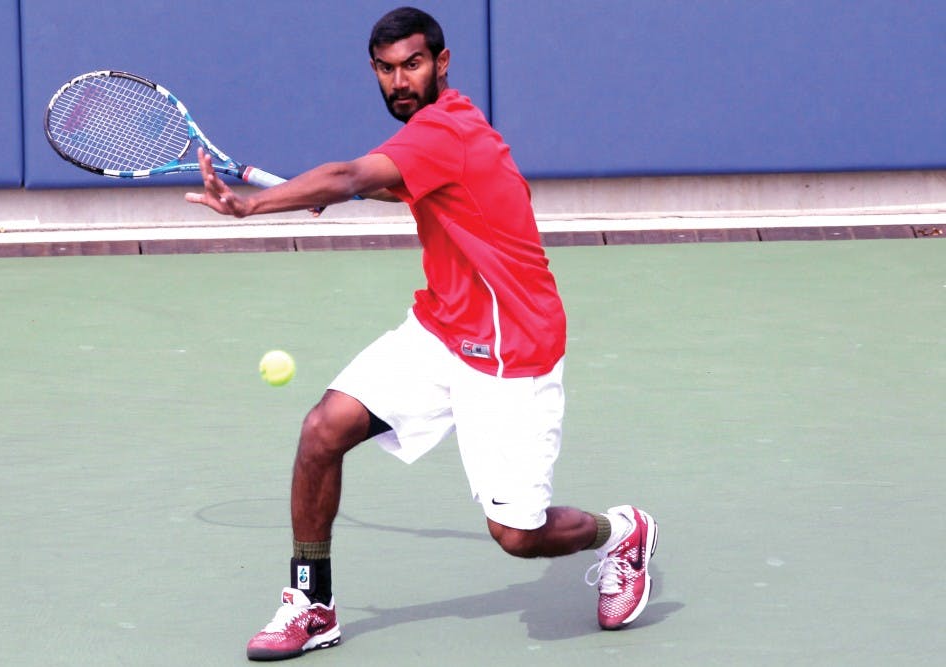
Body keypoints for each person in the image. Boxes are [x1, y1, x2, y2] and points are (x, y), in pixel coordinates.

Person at [186, 6, 658, 662]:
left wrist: (255, 203)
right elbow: (396, 186)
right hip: (441, 330)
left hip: (509, 353)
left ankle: (622, 532)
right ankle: (311, 602)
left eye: (412, 64)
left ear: (442, 63)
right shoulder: (432, 139)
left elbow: (354, 175)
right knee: (324, 428)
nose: (400, 80)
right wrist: (336, 191)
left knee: (518, 535)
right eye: (386, 69)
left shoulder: (448, 129)